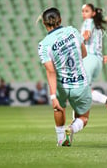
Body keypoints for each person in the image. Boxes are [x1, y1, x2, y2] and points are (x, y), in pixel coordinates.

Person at [38, 7, 92, 146]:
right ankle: (72, 128)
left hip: (61, 85)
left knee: (58, 108)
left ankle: (60, 139)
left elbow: (50, 71)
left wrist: (53, 97)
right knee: (83, 117)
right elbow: (84, 54)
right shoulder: (73, 31)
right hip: (79, 83)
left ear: (44, 24)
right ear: (60, 20)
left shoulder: (44, 45)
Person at [80, 3, 107, 116]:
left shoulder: (88, 22)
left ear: (93, 13)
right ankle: (106, 100)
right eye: (83, 11)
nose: (84, 14)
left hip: (88, 58)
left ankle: (106, 100)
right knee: (84, 89)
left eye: (86, 11)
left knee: (80, 89)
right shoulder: (98, 26)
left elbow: (86, 36)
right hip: (97, 61)